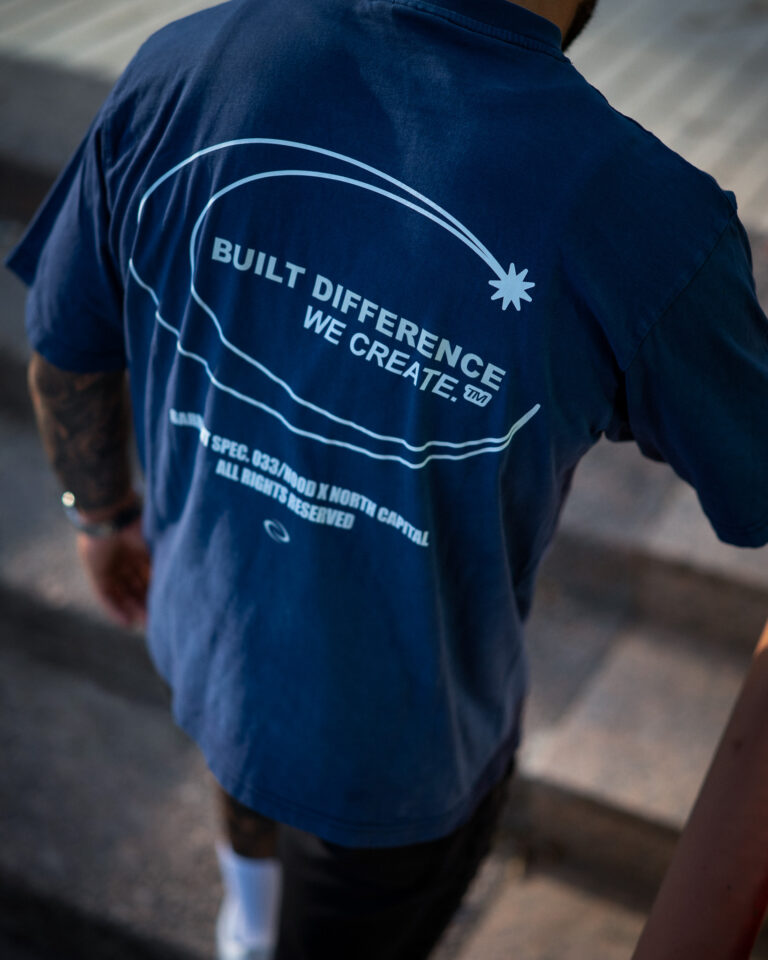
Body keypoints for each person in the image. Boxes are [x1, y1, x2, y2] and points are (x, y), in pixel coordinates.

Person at [7, 0, 768, 957]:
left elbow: (65, 352)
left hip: (210, 637)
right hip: (405, 757)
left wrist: (100, 515)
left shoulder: (194, 62)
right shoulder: (647, 222)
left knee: (237, 761)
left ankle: (247, 928)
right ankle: (252, 929)